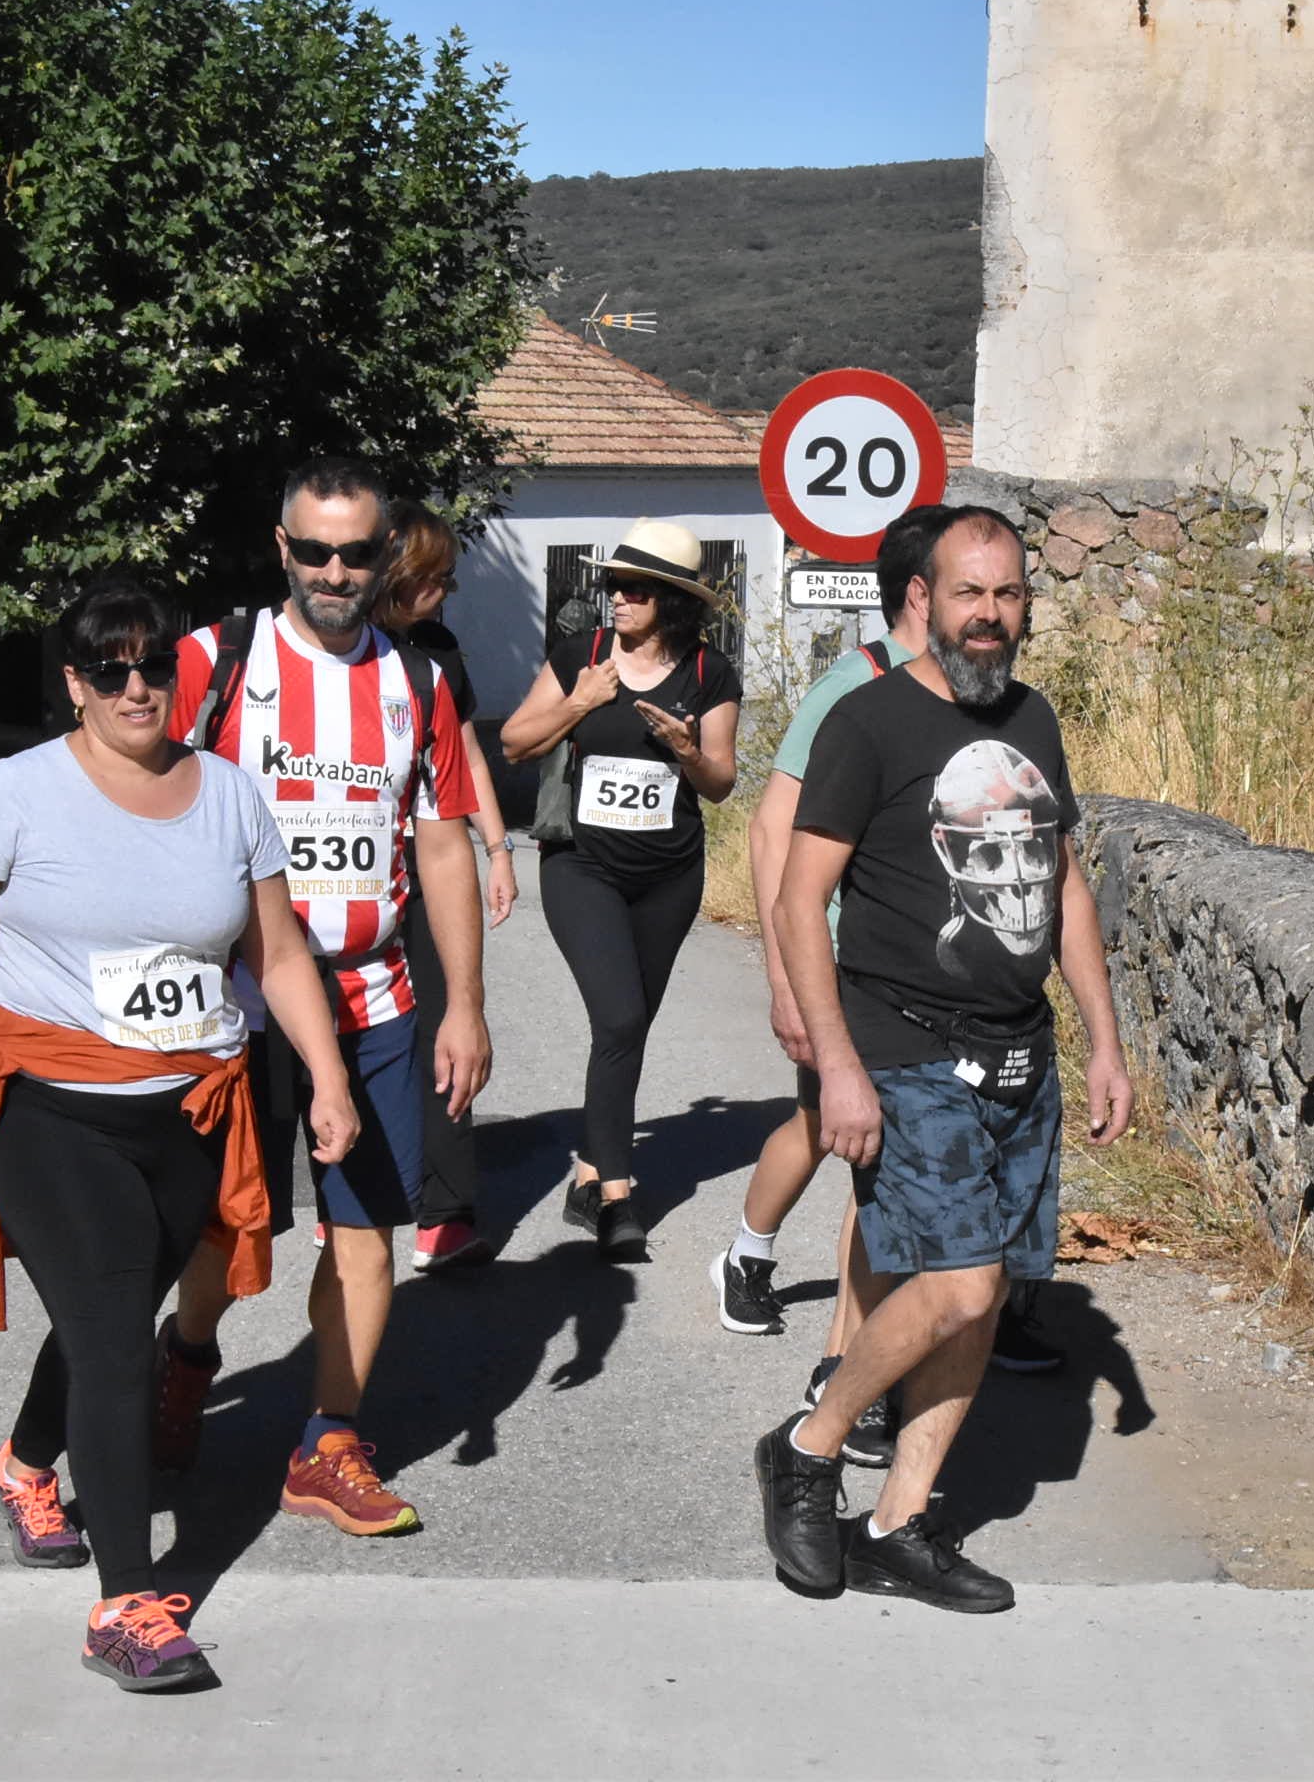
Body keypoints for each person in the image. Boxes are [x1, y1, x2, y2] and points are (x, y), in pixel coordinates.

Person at [0, 573, 358, 1692]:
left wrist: (326, 1080)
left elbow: (277, 957)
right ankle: (127, 1604)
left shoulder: (232, 794)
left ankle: (21, 1462)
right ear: (75, 688)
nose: (138, 686)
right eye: (111, 669)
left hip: (187, 1112)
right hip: (52, 1113)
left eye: (154, 665)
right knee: (108, 1341)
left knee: (116, 1314)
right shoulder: (17, 793)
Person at [755, 506, 1133, 1612]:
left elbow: (1060, 880)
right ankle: (811, 1443)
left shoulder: (1034, 717)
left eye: (1009, 594)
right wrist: (834, 1064)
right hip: (901, 1039)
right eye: (971, 594)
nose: (991, 616)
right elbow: (796, 894)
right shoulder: (867, 722)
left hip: (1020, 1049)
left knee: (988, 1290)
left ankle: (898, 1522)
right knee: (958, 1278)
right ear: (923, 598)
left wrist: (1104, 1038)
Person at [149, 458, 494, 1537]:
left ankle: (328, 1440)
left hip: (379, 994)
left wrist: (467, 1003)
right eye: (315, 550)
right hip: (236, 1001)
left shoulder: (421, 682)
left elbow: (440, 842)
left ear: (386, 555)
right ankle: (187, 1358)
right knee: (222, 1223)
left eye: (357, 552)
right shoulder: (217, 660)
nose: (335, 571)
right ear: (282, 548)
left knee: (367, 1229)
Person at [715, 504, 949, 1468]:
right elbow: (774, 830)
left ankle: (768, 1268)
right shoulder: (849, 689)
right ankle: (835, 1356)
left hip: (920, 972)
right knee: (856, 1142)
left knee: (840, 1137)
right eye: (968, 582)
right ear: (920, 590)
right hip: (843, 967)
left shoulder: (960, 691)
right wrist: (781, 972)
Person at [498, 517, 741, 1261]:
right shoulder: (584, 655)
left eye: (634, 589)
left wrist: (685, 749)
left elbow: (723, 783)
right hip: (583, 867)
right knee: (619, 1014)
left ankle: (586, 1170)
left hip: (670, 874)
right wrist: (579, 701)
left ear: (672, 601)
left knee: (625, 1031)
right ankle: (618, 1195)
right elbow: (513, 741)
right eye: (613, 585)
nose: (617, 599)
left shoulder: (709, 673)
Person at [378, 499, 521, 1272]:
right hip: (349, 879)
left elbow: (463, 754)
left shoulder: (438, 650)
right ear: (402, 574)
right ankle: (353, 1197)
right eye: (438, 578)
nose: (448, 590)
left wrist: (497, 849)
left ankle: (446, 1216)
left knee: (450, 1025)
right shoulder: (334, 650)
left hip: (432, 870)